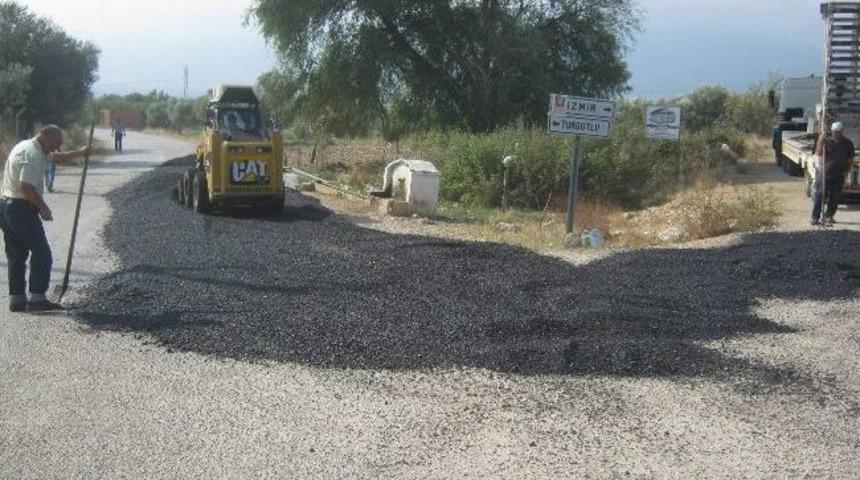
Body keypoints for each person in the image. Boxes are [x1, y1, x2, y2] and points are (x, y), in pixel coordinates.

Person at [0, 125, 90, 311]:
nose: (56, 148)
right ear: (46, 136)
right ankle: (37, 299)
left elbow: (56, 157)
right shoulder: (32, 154)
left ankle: (17, 299)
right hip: (20, 208)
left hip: (5, 205)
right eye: (56, 143)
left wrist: (80, 153)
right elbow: (26, 187)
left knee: (16, 253)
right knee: (42, 253)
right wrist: (43, 208)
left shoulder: (26, 146)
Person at [812, 121, 855, 226]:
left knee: (835, 197)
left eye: (838, 132)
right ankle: (815, 217)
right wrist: (821, 139)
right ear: (831, 131)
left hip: (839, 174)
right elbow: (817, 153)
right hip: (824, 174)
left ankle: (829, 216)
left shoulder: (847, 143)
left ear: (842, 132)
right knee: (820, 195)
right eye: (835, 132)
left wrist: (848, 171)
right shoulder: (826, 141)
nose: (836, 134)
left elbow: (850, 158)